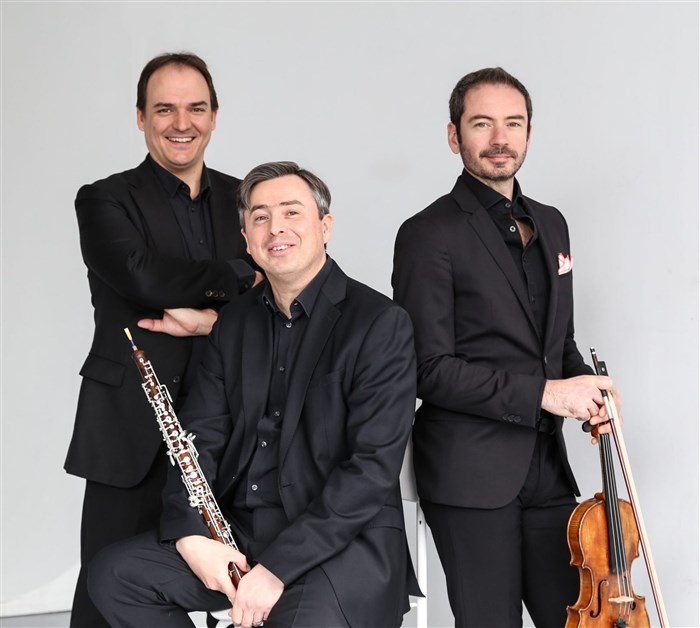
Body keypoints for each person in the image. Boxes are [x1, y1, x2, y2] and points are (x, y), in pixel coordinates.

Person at [88, 161, 419, 628]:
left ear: (325, 226)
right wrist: (191, 536)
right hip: (241, 534)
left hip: (338, 544)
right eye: (260, 217)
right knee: (115, 576)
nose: (275, 228)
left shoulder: (379, 323)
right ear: (246, 240)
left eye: (291, 212)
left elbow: (370, 470)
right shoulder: (234, 323)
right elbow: (199, 437)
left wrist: (276, 568)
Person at [392, 67, 617, 627]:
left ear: (529, 134)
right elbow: (427, 369)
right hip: (469, 473)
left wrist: (589, 391)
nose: (500, 138)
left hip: (547, 469)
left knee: (574, 619)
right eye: (482, 124)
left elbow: (557, 344)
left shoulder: (552, 224)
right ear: (454, 136)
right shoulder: (427, 234)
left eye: (513, 124)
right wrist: (547, 394)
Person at [64, 52, 261, 627]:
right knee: (105, 593)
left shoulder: (249, 200)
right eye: (164, 109)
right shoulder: (104, 199)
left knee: (239, 585)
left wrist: (208, 320)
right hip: (131, 424)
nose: (182, 123)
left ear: (214, 117)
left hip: (231, 425)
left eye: (196, 108)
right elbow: (141, 277)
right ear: (140, 117)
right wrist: (239, 274)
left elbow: (284, 293)